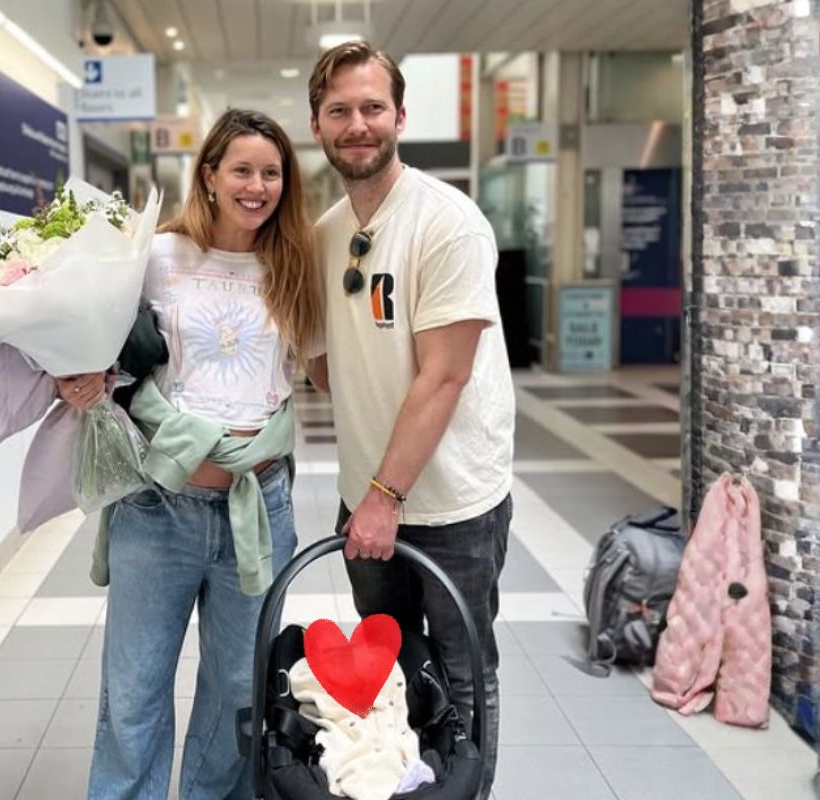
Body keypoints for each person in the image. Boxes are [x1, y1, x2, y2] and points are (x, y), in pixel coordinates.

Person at [57, 108, 323, 799]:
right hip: (159, 508)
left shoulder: (295, 265)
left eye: (271, 172)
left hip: (257, 509)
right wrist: (78, 375)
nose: (257, 186)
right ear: (208, 175)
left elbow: (328, 369)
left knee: (240, 689)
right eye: (242, 169)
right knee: (135, 690)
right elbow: (104, 357)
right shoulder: (155, 256)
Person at [305, 42, 515, 798]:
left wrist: (383, 496)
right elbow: (324, 361)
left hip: (449, 503)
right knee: (388, 670)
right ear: (318, 124)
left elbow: (447, 373)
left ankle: (465, 791)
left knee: (462, 675)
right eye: (340, 111)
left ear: (399, 115)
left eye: (371, 108)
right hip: (372, 502)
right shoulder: (326, 233)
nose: (357, 124)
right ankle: (405, 784)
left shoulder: (447, 222)